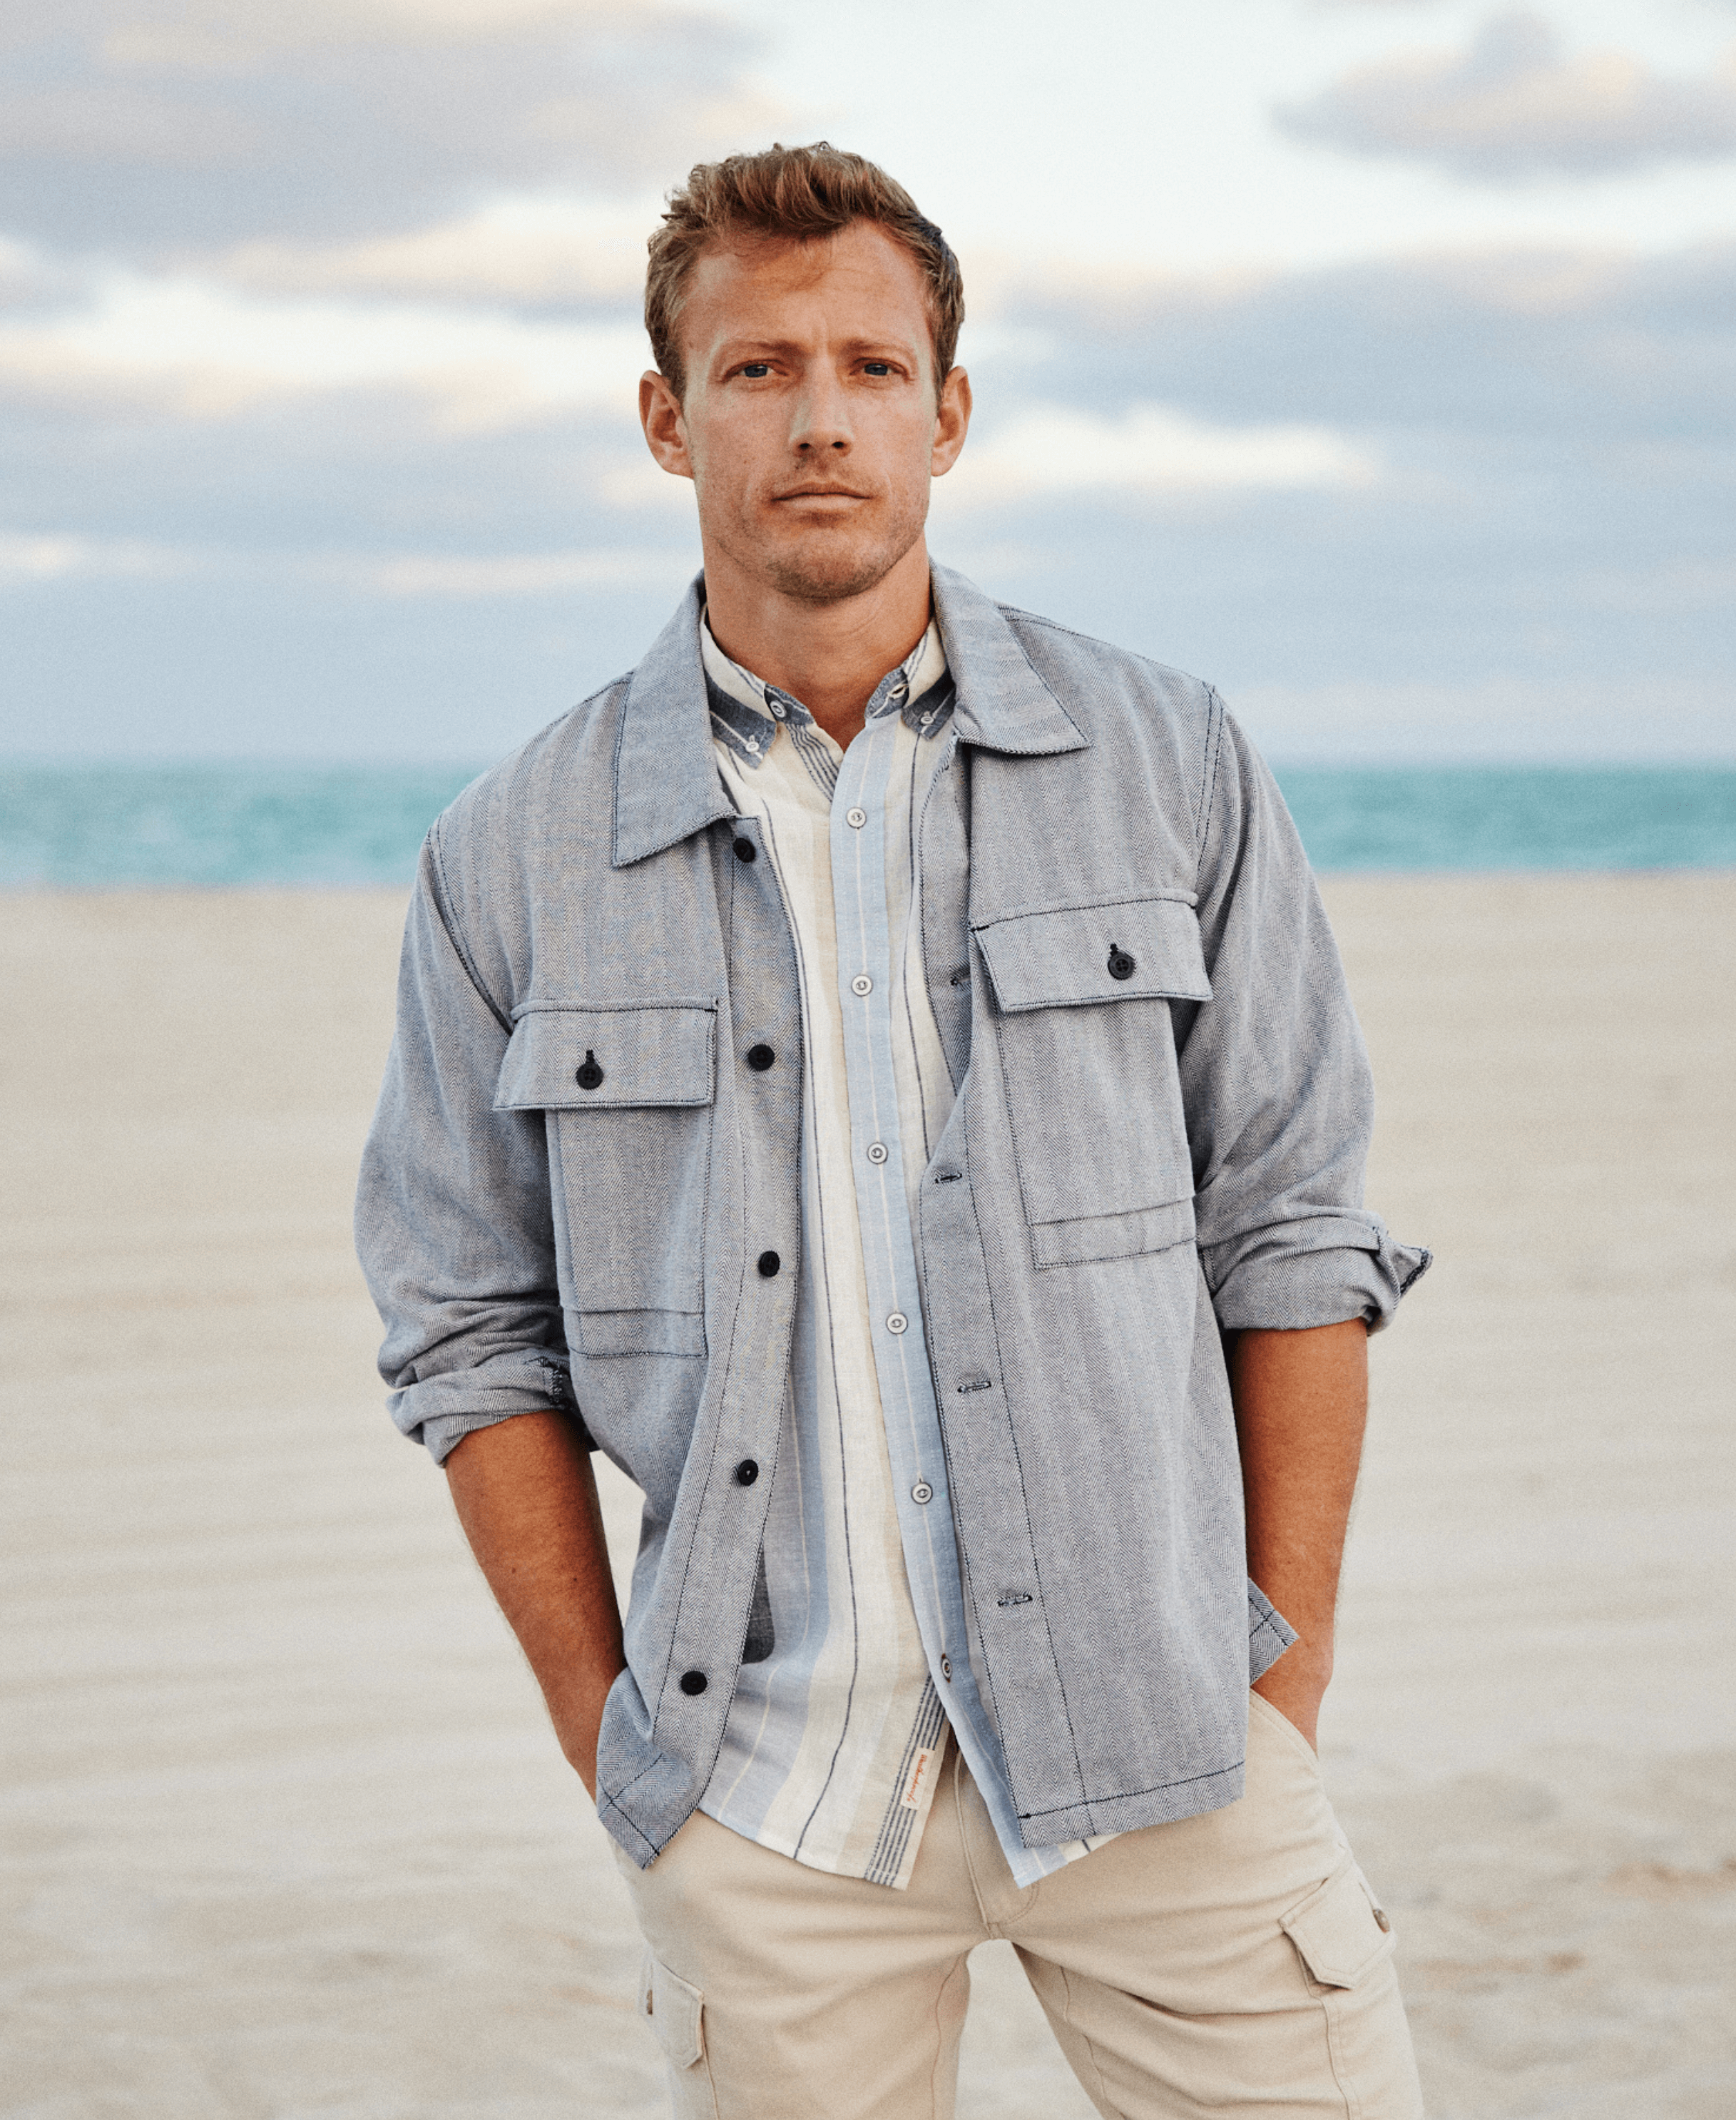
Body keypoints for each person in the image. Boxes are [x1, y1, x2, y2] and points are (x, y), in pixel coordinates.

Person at [355, 141, 1431, 2120]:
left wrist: (1283, 1684)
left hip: (1176, 1746)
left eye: (869, 363)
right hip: (769, 1802)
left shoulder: (1167, 759)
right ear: (669, 420)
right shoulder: (509, 853)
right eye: (759, 370)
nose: (819, 418)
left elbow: (1291, 1225)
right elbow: (466, 1331)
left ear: (949, 410)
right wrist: (621, 1747)